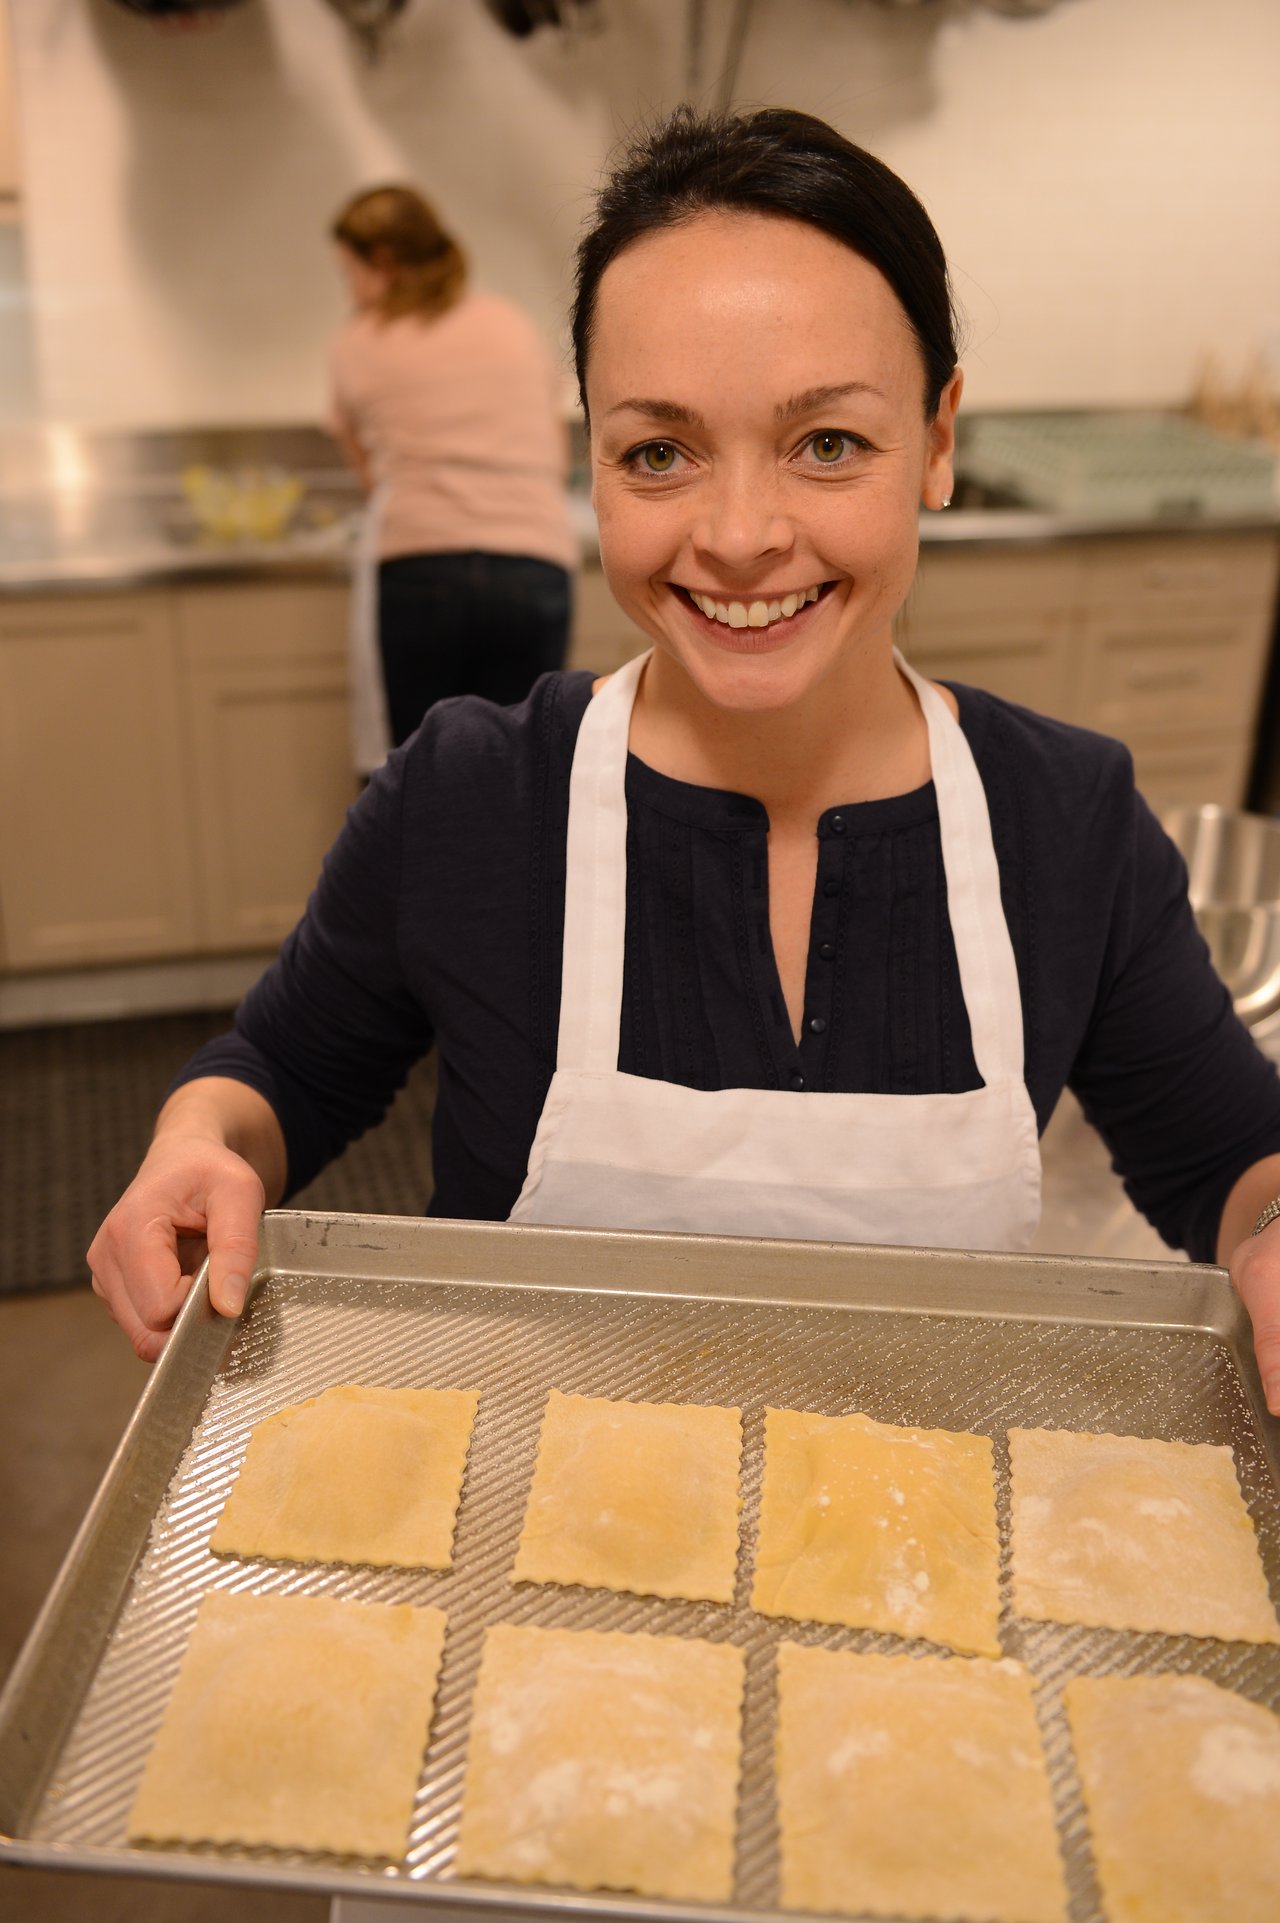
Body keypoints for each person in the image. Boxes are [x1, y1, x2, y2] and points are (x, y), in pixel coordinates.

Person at [89, 106, 1280, 1407]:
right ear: (590, 462)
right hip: (522, 1556)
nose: (741, 534)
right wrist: (194, 1143)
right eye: (660, 451)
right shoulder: (477, 795)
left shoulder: (1063, 819)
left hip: (920, 1573)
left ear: (937, 440)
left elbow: (1233, 1154)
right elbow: (279, 1075)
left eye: (829, 441)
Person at [328, 184, 577, 765]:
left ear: (383, 263)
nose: (349, 289)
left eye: (349, 272)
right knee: (524, 776)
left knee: (426, 777)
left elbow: (369, 475)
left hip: (422, 571)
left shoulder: (356, 342)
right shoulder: (511, 324)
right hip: (534, 569)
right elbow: (557, 456)